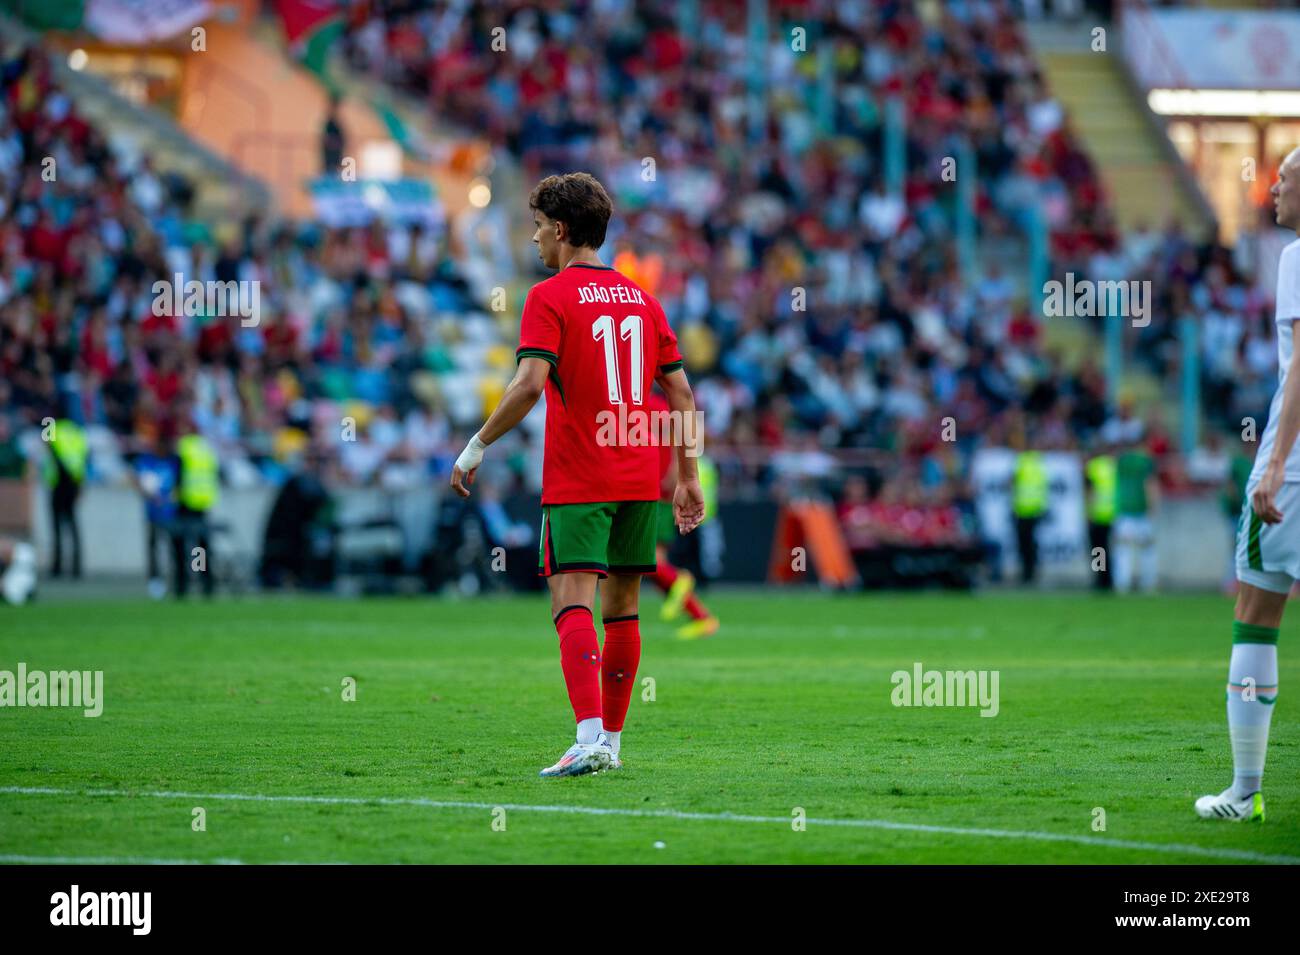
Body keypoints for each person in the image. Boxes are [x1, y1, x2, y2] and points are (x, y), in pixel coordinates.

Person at [450, 172, 704, 777]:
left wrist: (476, 444)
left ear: (561, 230)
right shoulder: (643, 299)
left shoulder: (549, 296)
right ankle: (610, 743)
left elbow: (529, 384)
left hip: (581, 474)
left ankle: (588, 735)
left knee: (571, 601)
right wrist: (687, 476)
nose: (536, 241)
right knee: (623, 609)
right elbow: (683, 394)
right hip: (640, 471)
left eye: (538, 228)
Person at [1196, 146, 1300, 822]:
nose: (1273, 190)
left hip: (1293, 476)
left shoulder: (1296, 257)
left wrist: (1273, 462)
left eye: (1286, 179)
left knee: (1255, 615)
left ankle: (1244, 788)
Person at [644, 390, 719, 639]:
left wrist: (673, 473)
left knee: (645, 560)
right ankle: (702, 618)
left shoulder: (648, 405)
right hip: (662, 493)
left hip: (652, 492)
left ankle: (679, 580)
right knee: (654, 561)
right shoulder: (670, 405)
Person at [173, 422, 219, 598]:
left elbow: (178, 475)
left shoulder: (184, 448)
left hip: (186, 502)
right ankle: (205, 582)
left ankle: (183, 584)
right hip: (203, 502)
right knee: (200, 547)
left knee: (181, 544)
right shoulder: (207, 449)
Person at [132, 430, 179, 599]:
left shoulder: (173, 462)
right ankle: (155, 581)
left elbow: (178, 485)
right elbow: (137, 480)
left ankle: (178, 579)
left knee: (174, 548)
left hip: (172, 513)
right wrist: (151, 495)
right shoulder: (147, 461)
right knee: (153, 548)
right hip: (153, 513)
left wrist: (171, 498)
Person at [1112, 435, 1159, 593]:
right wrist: (1153, 506)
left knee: (1122, 549)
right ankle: (1148, 583)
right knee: (1147, 548)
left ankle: (1121, 584)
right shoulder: (1145, 462)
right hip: (1141, 510)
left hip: (1124, 510)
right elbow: (1149, 484)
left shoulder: (1121, 461)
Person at [43, 416, 87, 579]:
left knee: (56, 527)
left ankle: (57, 567)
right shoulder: (77, 431)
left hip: (58, 483)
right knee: (73, 526)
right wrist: (81, 485)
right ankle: (77, 567)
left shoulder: (52, 425)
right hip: (74, 482)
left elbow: (46, 443)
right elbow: (82, 458)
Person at [1083, 440, 1116, 591]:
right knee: (1108, 549)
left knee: (1098, 550)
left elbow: (1090, 491)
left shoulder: (1093, 467)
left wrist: (1088, 513)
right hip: (1111, 512)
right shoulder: (1112, 466)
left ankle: (1100, 579)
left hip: (1097, 513)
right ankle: (1109, 579)